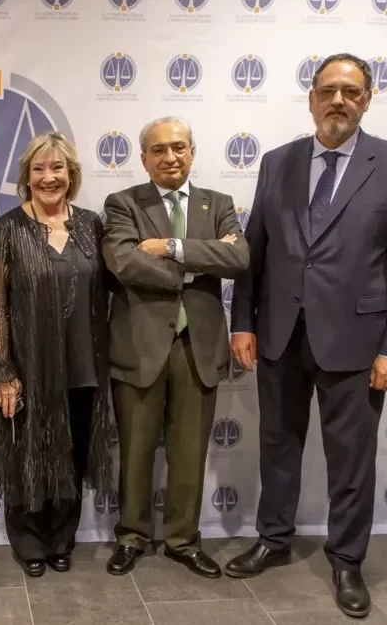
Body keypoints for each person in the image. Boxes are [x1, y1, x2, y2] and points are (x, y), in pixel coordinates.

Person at [227, 53, 387, 619]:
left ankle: (346, 560)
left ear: (368, 100)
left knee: (351, 460)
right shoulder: (277, 162)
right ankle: (273, 538)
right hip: (281, 336)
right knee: (277, 447)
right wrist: (243, 322)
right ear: (311, 98)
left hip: (358, 345)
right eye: (329, 90)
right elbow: (254, 254)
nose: (339, 101)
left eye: (352, 91)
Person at [102, 116, 249, 579]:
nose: (171, 157)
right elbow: (123, 262)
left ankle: (183, 540)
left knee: (189, 452)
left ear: (192, 152)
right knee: (136, 449)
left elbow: (240, 258)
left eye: (179, 147)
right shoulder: (122, 203)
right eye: (160, 150)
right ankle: (132, 536)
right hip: (140, 347)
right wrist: (202, 258)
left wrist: (169, 246)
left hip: (199, 348)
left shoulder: (219, 203)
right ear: (144, 158)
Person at [0, 132, 117, 577]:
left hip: (84, 365)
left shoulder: (92, 225)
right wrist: (2, 370)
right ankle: (29, 541)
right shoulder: (7, 229)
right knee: (26, 456)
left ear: (71, 175)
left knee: (72, 456)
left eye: (57, 168)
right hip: (27, 368)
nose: (48, 177)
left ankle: (62, 539)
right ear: (26, 177)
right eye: (38, 169)